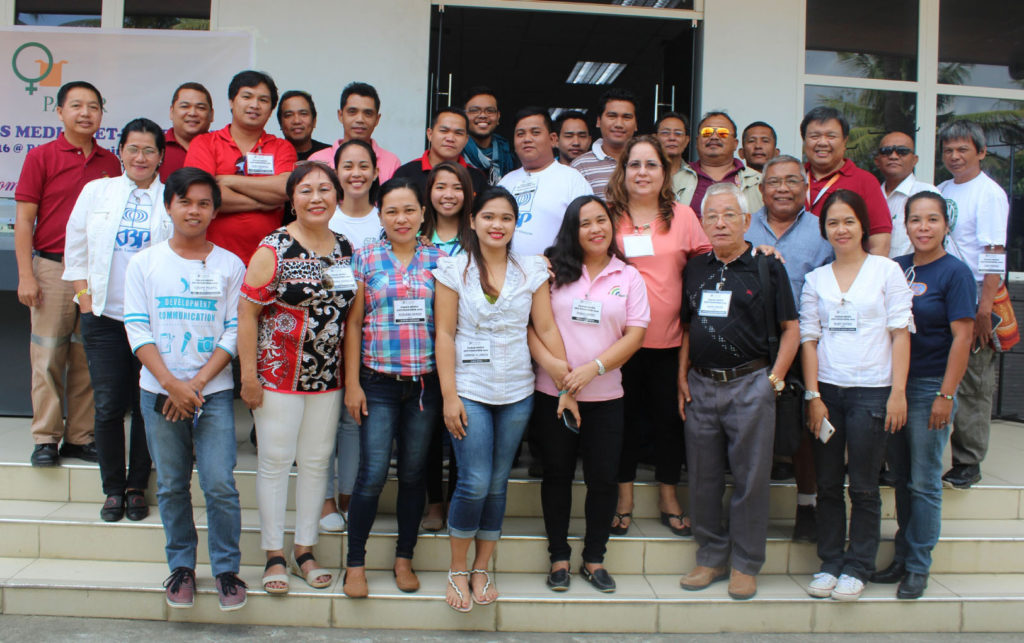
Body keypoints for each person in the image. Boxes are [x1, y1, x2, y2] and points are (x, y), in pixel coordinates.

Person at [124, 167, 247, 611]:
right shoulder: (145, 263)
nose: (193, 210)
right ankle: (181, 567)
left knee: (219, 483)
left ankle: (227, 569)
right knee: (173, 485)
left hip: (210, 393)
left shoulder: (230, 265)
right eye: (185, 201)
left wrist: (193, 385)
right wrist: (171, 384)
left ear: (214, 210)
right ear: (168, 205)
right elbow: (137, 328)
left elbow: (234, 331)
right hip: (158, 391)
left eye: (203, 203)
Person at [434, 186, 562, 611]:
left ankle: (482, 567)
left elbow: (544, 329)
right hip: (469, 389)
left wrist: (564, 379)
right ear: (473, 221)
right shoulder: (453, 269)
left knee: (498, 481)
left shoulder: (531, 270)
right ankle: (456, 568)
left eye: (506, 218)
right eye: (489, 216)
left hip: (516, 391)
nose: (497, 225)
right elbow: (445, 335)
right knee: (473, 481)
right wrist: (449, 396)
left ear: (515, 224)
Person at [238, 160, 357, 594]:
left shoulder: (344, 246)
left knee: (315, 463)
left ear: (337, 198)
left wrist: (351, 380)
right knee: (273, 462)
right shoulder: (273, 247)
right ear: (292, 199)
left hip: (328, 378)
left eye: (325, 190)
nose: (316, 198)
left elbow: (350, 318)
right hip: (277, 376)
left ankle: (305, 549)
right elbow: (247, 313)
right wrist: (249, 375)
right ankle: (273, 554)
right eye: (306, 190)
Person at [677, 183, 799, 601]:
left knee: (750, 480)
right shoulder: (695, 268)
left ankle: (746, 564)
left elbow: (792, 330)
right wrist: (681, 376)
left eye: (729, 214)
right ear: (702, 223)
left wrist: (774, 380)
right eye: (712, 216)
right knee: (703, 477)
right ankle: (710, 557)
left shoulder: (767, 267)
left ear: (747, 220)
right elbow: (688, 329)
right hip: (701, 384)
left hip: (752, 384)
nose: (720, 222)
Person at [532, 195, 648, 594]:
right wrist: (559, 373)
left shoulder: (628, 276)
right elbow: (532, 326)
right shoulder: (552, 271)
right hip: (552, 393)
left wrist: (594, 369)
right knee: (557, 476)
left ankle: (594, 557)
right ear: (572, 230)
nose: (596, 229)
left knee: (603, 480)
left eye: (602, 221)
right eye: (585, 223)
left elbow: (636, 334)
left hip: (606, 397)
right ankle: (558, 557)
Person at [800, 189, 913, 602]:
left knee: (864, 486)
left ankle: (858, 565)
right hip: (828, 392)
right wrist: (813, 395)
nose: (841, 229)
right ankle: (830, 562)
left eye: (848, 221)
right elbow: (809, 340)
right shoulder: (816, 279)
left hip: (873, 392)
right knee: (828, 483)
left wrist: (897, 393)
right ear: (824, 230)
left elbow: (900, 334)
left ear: (863, 225)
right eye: (832, 222)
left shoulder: (886, 271)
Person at [63, 117, 172, 522]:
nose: (140, 157)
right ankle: (112, 488)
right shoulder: (98, 191)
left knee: (147, 404)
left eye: (149, 150)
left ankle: (136, 486)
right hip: (105, 317)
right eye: (133, 149)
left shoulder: (170, 198)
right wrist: (84, 298)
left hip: (152, 321)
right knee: (108, 404)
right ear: (121, 151)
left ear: (161, 156)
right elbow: (76, 245)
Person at [342, 177, 445, 598]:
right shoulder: (363, 258)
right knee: (370, 475)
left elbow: (448, 328)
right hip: (377, 382)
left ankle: (405, 558)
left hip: (424, 385)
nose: (401, 219)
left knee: (415, 474)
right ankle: (355, 563)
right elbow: (352, 324)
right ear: (379, 215)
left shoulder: (440, 261)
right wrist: (352, 384)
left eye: (409, 210)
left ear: (423, 213)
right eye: (391, 211)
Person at [605, 135, 710, 538]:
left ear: (664, 173)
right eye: (635, 164)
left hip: (670, 342)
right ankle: (624, 497)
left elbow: (706, 265)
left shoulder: (683, 216)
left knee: (670, 421)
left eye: (652, 165)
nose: (643, 172)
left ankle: (669, 495)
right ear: (623, 170)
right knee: (623, 423)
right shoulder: (609, 214)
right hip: (616, 343)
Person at [873, 192, 975, 599]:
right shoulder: (895, 269)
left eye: (932, 219)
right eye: (915, 220)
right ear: (905, 225)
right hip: (893, 385)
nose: (923, 227)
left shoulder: (956, 273)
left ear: (946, 226)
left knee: (925, 481)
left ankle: (918, 565)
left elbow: (963, 337)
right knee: (899, 477)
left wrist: (946, 395)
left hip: (931, 385)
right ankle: (900, 557)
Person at [15, 80, 120, 467]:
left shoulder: (111, 163)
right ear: (60, 112)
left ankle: (80, 436)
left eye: (93, 106)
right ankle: (46, 437)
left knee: (86, 356)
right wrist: (26, 275)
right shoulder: (41, 156)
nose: (85, 113)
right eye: (76, 105)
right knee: (47, 355)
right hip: (52, 268)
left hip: (95, 273)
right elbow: (24, 221)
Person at [744, 154, 834, 542]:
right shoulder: (742, 226)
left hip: (806, 344)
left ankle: (808, 506)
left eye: (792, 181)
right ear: (760, 189)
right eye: (774, 181)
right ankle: (748, 513)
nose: (783, 188)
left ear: (806, 188)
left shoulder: (823, 231)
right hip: (748, 345)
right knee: (749, 429)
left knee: (804, 432)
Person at [937, 120, 1009, 490]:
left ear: (980, 152)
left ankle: (968, 461)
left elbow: (994, 253)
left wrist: (984, 309)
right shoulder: (942, 189)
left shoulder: (989, 194)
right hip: (942, 291)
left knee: (973, 381)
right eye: (948, 150)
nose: (954, 156)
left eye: (963, 149)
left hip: (976, 297)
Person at [320, 139, 384, 534]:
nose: (356, 173)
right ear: (336, 172)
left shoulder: (386, 219)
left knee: (353, 419)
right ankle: (325, 498)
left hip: (371, 337)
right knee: (324, 417)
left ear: (377, 172)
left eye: (364, 166)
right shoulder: (325, 217)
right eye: (347, 166)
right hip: (325, 335)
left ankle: (348, 495)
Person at [184, 69, 297, 264]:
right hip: (211, 258)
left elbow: (284, 189)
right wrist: (263, 203)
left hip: (266, 261)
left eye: (263, 100)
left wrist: (227, 180)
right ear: (231, 101)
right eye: (247, 96)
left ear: (271, 109)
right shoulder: (204, 143)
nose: (255, 105)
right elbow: (203, 196)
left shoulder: (282, 147)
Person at [421, 160, 475, 531]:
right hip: (421, 347)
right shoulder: (414, 233)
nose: (448, 195)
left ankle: (458, 498)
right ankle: (434, 504)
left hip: (469, 349)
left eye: (456, 187)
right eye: (441, 187)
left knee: (462, 427)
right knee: (427, 431)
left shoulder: (477, 235)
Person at [498, 107, 592, 257]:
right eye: (520, 134)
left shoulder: (572, 179)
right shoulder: (506, 182)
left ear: (553, 139)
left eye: (535, 132)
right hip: (506, 275)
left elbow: (588, 232)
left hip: (556, 275)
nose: (527, 139)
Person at [800, 106, 892, 256]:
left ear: (845, 141)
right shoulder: (794, 180)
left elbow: (879, 243)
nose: (822, 142)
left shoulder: (865, 181)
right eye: (814, 136)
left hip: (846, 274)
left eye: (831, 136)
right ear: (804, 141)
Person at [671, 111, 763, 214]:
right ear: (697, 142)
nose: (714, 137)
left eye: (722, 133)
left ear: (735, 144)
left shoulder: (758, 182)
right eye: (707, 132)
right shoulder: (675, 182)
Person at [309, 82, 402, 182]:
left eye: (368, 113)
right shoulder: (317, 160)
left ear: (377, 119)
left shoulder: (392, 162)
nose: (360, 119)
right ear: (340, 115)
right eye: (352, 112)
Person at [392, 107, 487, 196]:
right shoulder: (406, 174)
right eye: (444, 131)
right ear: (430, 134)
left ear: (466, 140)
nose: (450, 138)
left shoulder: (476, 177)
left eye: (458, 133)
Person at [872, 131, 939, 258]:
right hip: (876, 274)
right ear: (877, 160)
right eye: (887, 151)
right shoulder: (870, 195)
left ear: (915, 160)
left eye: (902, 151)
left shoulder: (927, 194)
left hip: (914, 275)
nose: (894, 156)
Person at [571, 88, 639, 199]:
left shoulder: (647, 163)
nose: (619, 124)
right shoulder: (580, 166)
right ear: (598, 121)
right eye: (612, 116)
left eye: (626, 117)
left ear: (636, 124)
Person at [462, 86, 518, 184]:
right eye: (475, 110)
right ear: (464, 116)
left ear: (498, 116)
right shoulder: (455, 152)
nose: (483, 115)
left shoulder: (509, 153)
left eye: (490, 111)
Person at [160, 82, 214, 182]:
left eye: (201, 108)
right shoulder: (156, 145)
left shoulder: (222, 147)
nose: (192, 113)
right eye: (185, 106)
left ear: (211, 115)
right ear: (172, 112)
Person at [422, 161, 474, 257]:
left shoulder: (479, 240)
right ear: (429, 192)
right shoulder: (417, 239)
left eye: (458, 188)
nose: (449, 195)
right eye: (440, 187)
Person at [277, 90, 330, 161]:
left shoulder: (330, 154)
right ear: (280, 123)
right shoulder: (272, 155)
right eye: (289, 115)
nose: (297, 121)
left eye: (303, 114)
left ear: (314, 121)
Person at [655, 111, 690, 177]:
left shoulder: (695, 175)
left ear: (686, 140)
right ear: (655, 138)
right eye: (665, 133)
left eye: (678, 133)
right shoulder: (645, 172)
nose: (672, 138)